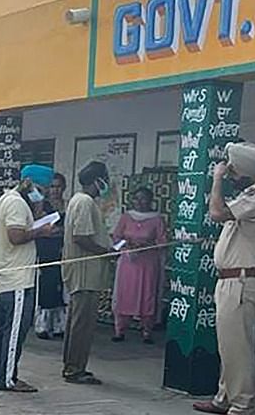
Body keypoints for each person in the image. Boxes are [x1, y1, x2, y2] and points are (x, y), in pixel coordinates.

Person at [193, 142, 255, 415]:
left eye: (232, 168)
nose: (229, 172)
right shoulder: (250, 195)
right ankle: (225, 396)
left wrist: (216, 179)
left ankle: (243, 408)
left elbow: (217, 212)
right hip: (234, 279)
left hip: (244, 281)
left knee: (239, 346)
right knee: (228, 343)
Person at [0, 164, 60, 393]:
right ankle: (8, 378)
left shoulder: (10, 199)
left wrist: (37, 214)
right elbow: (16, 237)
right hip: (17, 277)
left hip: (6, 274)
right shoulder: (17, 203)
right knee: (15, 329)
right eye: (41, 188)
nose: (44, 193)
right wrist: (42, 231)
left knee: (0, 327)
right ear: (28, 183)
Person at [61, 161, 113, 385]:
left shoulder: (79, 200)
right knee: (82, 324)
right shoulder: (84, 202)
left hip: (85, 272)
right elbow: (81, 237)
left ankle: (73, 365)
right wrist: (106, 251)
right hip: (84, 272)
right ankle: (74, 369)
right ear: (97, 181)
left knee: (78, 323)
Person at [111, 186, 167, 344]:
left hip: (148, 263)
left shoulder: (157, 219)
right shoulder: (126, 217)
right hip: (127, 263)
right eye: (136, 198)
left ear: (151, 201)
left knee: (147, 295)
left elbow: (163, 242)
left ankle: (147, 331)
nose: (139, 202)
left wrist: (147, 246)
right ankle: (119, 330)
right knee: (124, 294)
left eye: (143, 198)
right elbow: (116, 238)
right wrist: (126, 247)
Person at [34, 173, 68, 340]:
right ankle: (43, 324)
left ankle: (59, 325)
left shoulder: (67, 206)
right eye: (52, 186)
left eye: (58, 186)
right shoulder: (43, 205)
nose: (55, 190)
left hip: (63, 251)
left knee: (60, 287)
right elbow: (39, 226)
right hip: (46, 250)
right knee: (47, 286)